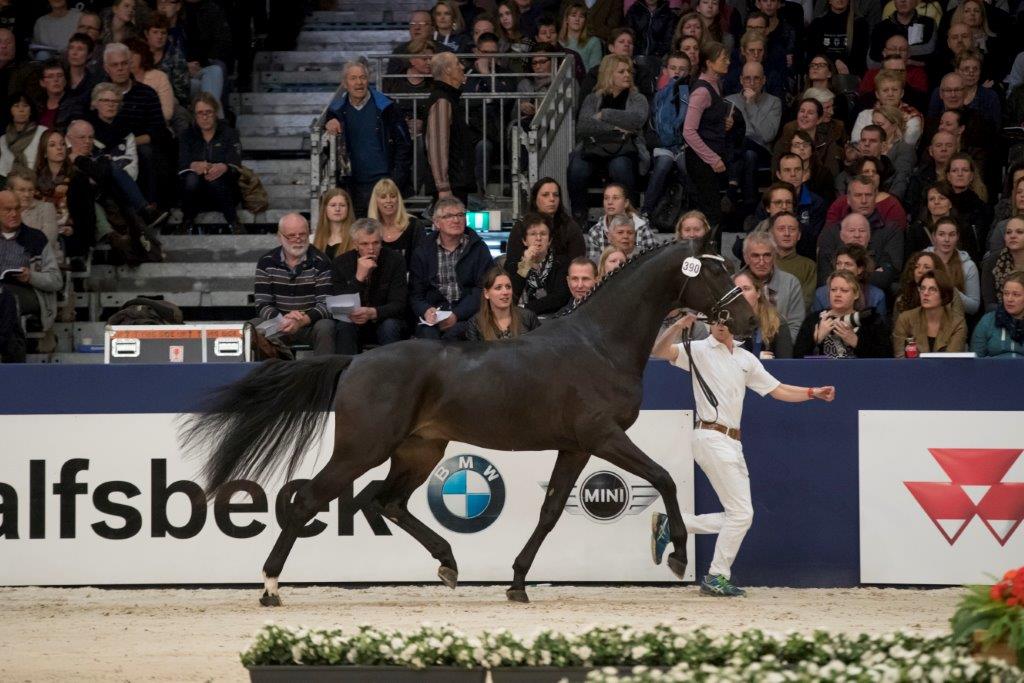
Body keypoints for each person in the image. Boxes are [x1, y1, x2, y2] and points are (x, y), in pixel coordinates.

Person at [650, 310, 835, 597]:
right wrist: (677, 325)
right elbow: (659, 351)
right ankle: (716, 576)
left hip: (732, 442)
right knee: (741, 514)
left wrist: (812, 392)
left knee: (739, 515)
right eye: (715, 320)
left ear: (734, 324)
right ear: (709, 322)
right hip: (710, 435)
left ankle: (674, 524)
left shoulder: (745, 358)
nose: (720, 325)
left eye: (725, 320)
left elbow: (778, 390)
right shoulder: (698, 349)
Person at [568, 54, 649, 225]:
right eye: (621, 71)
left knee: (620, 167)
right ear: (608, 74)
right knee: (577, 168)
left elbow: (637, 119)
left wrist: (605, 114)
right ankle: (579, 216)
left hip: (623, 147)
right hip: (594, 146)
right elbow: (583, 126)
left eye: (629, 71)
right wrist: (613, 128)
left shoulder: (637, 98)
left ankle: (630, 214)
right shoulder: (593, 98)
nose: (627, 75)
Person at [324, 61, 413, 217]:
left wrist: (396, 180)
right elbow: (329, 148)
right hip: (354, 186)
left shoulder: (387, 107)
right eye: (353, 78)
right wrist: (329, 121)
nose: (359, 82)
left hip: (385, 184)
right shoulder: (336, 111)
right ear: (345, 83)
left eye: (363, 77)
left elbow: (404, 145)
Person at [409, 196, 493, 339]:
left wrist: (457, 314)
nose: (456, 220)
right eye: (449, 216)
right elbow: (415, 294)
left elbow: (483, 289)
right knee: (428, 338)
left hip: (468, 315)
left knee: (455, 335)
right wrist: (425, 310)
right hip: (434, 315)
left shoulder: (478, 248)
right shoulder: (423, 250)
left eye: (460, 215)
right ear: (436, 222)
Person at [253, 213, 335, 356]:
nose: (298, 239)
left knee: (326, 326)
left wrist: (302, 321)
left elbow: (326, 304)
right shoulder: (266, 262)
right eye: (291, 235)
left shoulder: (321, 261)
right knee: (251, 327)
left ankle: (323, 374)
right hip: (277, 323)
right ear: (280, 237)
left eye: (302, 234)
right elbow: (262, 304)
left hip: (309, 324)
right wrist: (282, 319)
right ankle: (272, 374)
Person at [331, 218, 408, 354]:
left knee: (390, 326)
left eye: (375, 243)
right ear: (356, 244)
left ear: (381, 242)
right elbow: (339, 307)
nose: (371, 249)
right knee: (344, 326)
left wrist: (373, 312)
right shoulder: (340, 263)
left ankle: (391, 373)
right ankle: (346, 373)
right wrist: (359, 278)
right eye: (364, 244)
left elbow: (399, 304)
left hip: (383, 319)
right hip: (353, 321)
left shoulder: (395, 260)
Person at [818, 176, 904, 290]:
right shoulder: (831, 232)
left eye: (868, 195)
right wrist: (870, 274)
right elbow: (825, 277)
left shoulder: (891, 230)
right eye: (858, 195)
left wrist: (843, 275)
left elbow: (891, 274)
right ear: (848, 199)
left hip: (877, 297)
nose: (864, 200)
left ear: (876, 198)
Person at [0, 190, 62, 342]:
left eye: (17, 209)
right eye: (8, 210)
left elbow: (56, 280)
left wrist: (31, 276)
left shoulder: (35, 238)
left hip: (30, 292)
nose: (14, 214)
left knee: (6, 298)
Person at [683, 41, 732, 234]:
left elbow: (707, 122)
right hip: (701, 160)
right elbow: (688, 131)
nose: (728, 61)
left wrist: (723, 123)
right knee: (710, 212)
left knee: (713, 212)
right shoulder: (702, 91)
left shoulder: (715, 84)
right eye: (723, 58)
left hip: (710, 154)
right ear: (710, 63)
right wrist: (712, 159)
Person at [177, 92, 241, 235]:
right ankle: (187, 221)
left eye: (208, 112)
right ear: (194, 115)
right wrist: (193, 165)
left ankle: (233, 222)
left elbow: (236, 163)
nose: (204, 117)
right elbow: (182, 163)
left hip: (224, 190)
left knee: (216, 178)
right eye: (200, 113)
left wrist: (223, 167)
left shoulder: (229, 133)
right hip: (196, 194)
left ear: (216, 113)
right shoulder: (187, 135)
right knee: (191, 179)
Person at [793, 270, 891, 358]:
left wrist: (856, 342)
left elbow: (886, 357)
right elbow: (797, 357)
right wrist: (817, 339)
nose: (837, 294)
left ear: (856, 294)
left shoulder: (871, 320)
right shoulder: (813, 320)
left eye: (844, 290)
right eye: (833, 290)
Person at [725, 61, 781, 213]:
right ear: (741, 80)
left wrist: (751, 104)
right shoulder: (730, 100)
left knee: (746, 142)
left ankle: (732, 189)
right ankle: (750, 207)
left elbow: (767, 135)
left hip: (762, 151)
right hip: (736, 154)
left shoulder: (774, 102)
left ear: (764, 80)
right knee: (748, 154)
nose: (751, 83)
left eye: (756, 78)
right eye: (747, 78)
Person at [425, 52, 478, 204]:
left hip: (456, 182)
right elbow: (437, 147)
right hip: (450, 187)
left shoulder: (448, 99)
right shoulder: (442, 101)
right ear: (447, 70)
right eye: (457, 63)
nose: (462, 67)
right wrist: (443, 187)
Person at [506, 178, 585, 268]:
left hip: (563, 279)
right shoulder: (520, 227)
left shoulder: (571, 227)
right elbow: (512, 271)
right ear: (535, 199)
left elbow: (578, 266)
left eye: (556, 195)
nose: (552, 199)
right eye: (545, 195)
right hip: (524, 278)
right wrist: (527, 262)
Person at [742, 230, 805, 340]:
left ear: (774, 256)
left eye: (767, 255)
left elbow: (796, 326)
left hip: (780, 352)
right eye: (755, 256)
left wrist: (780, 350)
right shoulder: (733, 283)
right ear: (746, 258)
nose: (761, 262)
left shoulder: (791, 283)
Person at [505, 213, 570, 315]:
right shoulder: (512, 264)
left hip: (554, 319)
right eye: (533, 234)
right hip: (520, 321)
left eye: (543, 234)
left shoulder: (561, 263)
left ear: (549, 241)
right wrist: (525, 265)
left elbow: (560, 298)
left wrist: (524, 308)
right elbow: (510, 297)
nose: (538, 238)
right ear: (524, 241)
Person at [892, 268, 967, 356]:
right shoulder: (905, 319)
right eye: (922, 288)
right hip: (911, 369)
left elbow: (951, 361)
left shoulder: (957, 323)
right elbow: (900, 359)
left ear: (944, 294)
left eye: (932, 289)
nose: (925, 293)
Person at [463, 265, 541, 340]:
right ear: (486, 293)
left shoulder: (528, 317)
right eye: (498, 288)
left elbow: (540, 348)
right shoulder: (475, 324)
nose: (505, 292)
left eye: (508, 287)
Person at [584, 182, 656, 261]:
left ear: (626, 203)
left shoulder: (641, 227)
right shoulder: (595, 231)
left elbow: (653, 260)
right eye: (606, 198)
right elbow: (594, 265)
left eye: (615, 198)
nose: (610, 202)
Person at [367, 178, 427, 271]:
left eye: (392, 196)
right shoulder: (368, 229)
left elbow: (421, 263)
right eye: (383, 197)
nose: (388, 200)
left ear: (398, 199)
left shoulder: (415, 225)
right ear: (376, 202)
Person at [811, 244, 887, 316]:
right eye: (839, 263)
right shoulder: (820, 294)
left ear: (860, 269)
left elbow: (880, 327)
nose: (842, 268)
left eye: (848, 264)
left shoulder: (877, 296)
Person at [925, 216, 980, 315]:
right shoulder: (923, 261)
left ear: (957, 237)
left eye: (952, 235)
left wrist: (950, 289)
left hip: (954, 318)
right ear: (934, 237)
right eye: (941, 234)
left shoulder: (969, 266)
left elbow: (973, 307)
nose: (947, 239)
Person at [733, 269, 793, 358]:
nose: (741, 294)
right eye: (737, 290)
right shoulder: (726, 322)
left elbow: (786, 362)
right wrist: (755, 357)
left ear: (758, 293)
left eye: (746, 289)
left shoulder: (777, 321)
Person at [971, 271, 1024, 358]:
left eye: (1016, 294)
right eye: (1006, 294)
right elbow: (976, 358)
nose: (1009, 299)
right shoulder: (988, 321)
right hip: (992, 370)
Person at [768, 211, 816, 307]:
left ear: (799, 235)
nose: (787, 234)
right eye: (781, 229)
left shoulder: (808, 266)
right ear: (771, 233)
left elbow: (806, 300)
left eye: (792, 229)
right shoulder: (761, 262)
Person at [981, 218, 1024, 312]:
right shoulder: (992, 262)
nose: (1012, 236)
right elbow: (989, 304)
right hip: (1000, 317)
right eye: (1008, 232)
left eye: (1019, 232)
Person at [0, 93, 46, 178]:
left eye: (25, 106)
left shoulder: (43, 132)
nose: (21, 110)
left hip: (35, 181)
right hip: (7, 184)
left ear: (31, 110)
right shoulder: (3, 139)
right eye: (16, 106)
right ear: (9, 110)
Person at [312, 188, 354, 261]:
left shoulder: (356, 239)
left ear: (348, 208)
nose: (337, 209)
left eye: (342, 205)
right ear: (325, 209)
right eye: (333, 205)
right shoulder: (312, 239)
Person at [559, 2, 601, 71]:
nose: (577, 19)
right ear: (566, 19)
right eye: (573, 15)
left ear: (585, 21)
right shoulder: (559, 42)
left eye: (581, 16)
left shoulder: (594, 42)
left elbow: (594, 71)